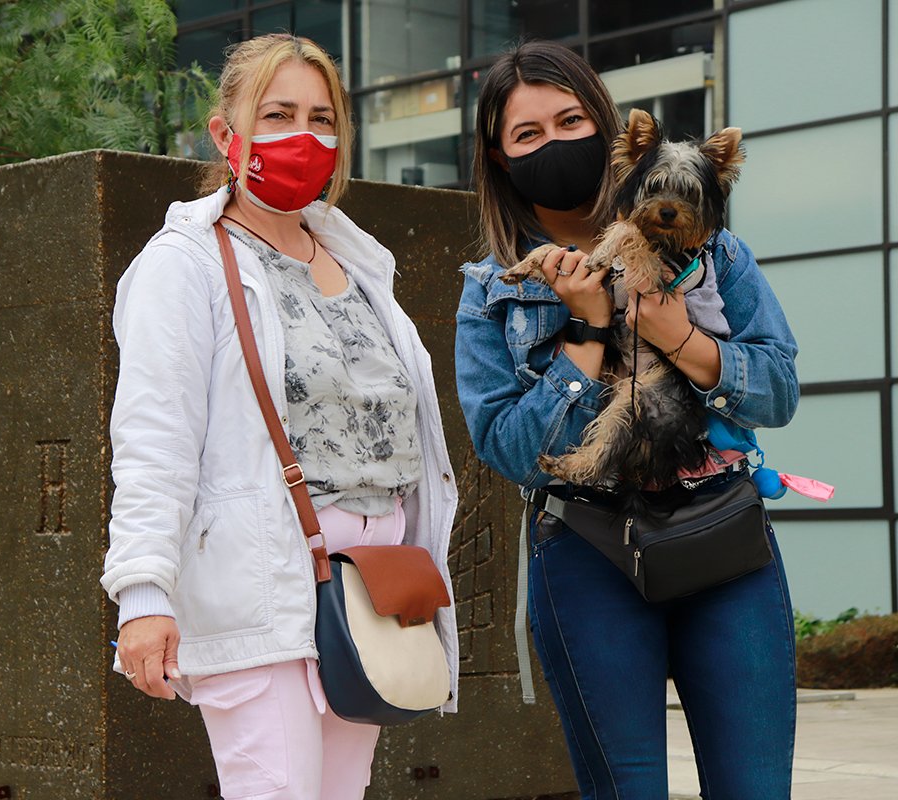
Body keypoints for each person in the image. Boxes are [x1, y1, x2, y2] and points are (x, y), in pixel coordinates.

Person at [101, 33, 459, 800]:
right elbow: (154, 438)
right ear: (225, 133)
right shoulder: (185, 263)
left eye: (322, 116)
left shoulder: (360, 261)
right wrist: (143, 594)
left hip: (371, 592)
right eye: (279, 113)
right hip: (262, 584)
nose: (305, 134)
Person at [454, 40, 800, 799]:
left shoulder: (718, 258)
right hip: (587, 554)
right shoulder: (492, 292)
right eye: (527, 134)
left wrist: (676, 333)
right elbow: (512, 453)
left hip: (724, 542)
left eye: (569, 120)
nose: (553, 144)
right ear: (500, 158)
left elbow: (777, 390)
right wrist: (583, 331)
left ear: (610, 133)